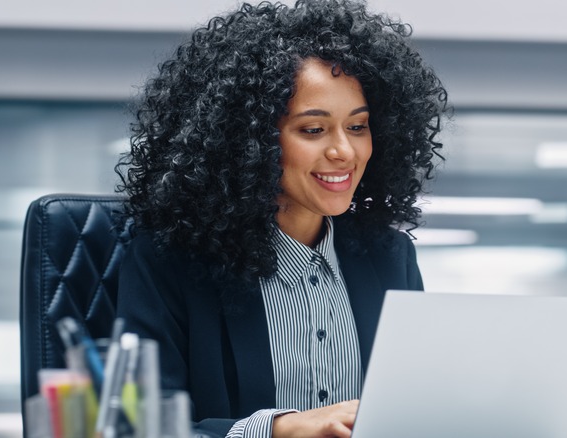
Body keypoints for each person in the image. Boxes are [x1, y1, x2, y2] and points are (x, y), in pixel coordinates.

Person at [114, 0, 449, 437]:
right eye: (313, 130)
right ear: (247, 139)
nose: (344, 152)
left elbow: (412, 410)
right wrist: (277, 430)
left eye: (358, 126)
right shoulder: (168, 261)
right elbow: (140, 428)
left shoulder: (389, 257)